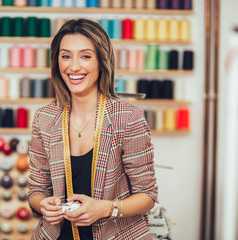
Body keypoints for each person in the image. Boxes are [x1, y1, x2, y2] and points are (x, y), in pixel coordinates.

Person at [28, 18, 158, 240]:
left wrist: (107, 208)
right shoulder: (44, 119)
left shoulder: (127, 117)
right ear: (56, 62)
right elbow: (36, 190)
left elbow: (147, 196)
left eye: (85, 56)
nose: (74, 66)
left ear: (102, 62)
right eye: (66, 56)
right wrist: (43, 204)